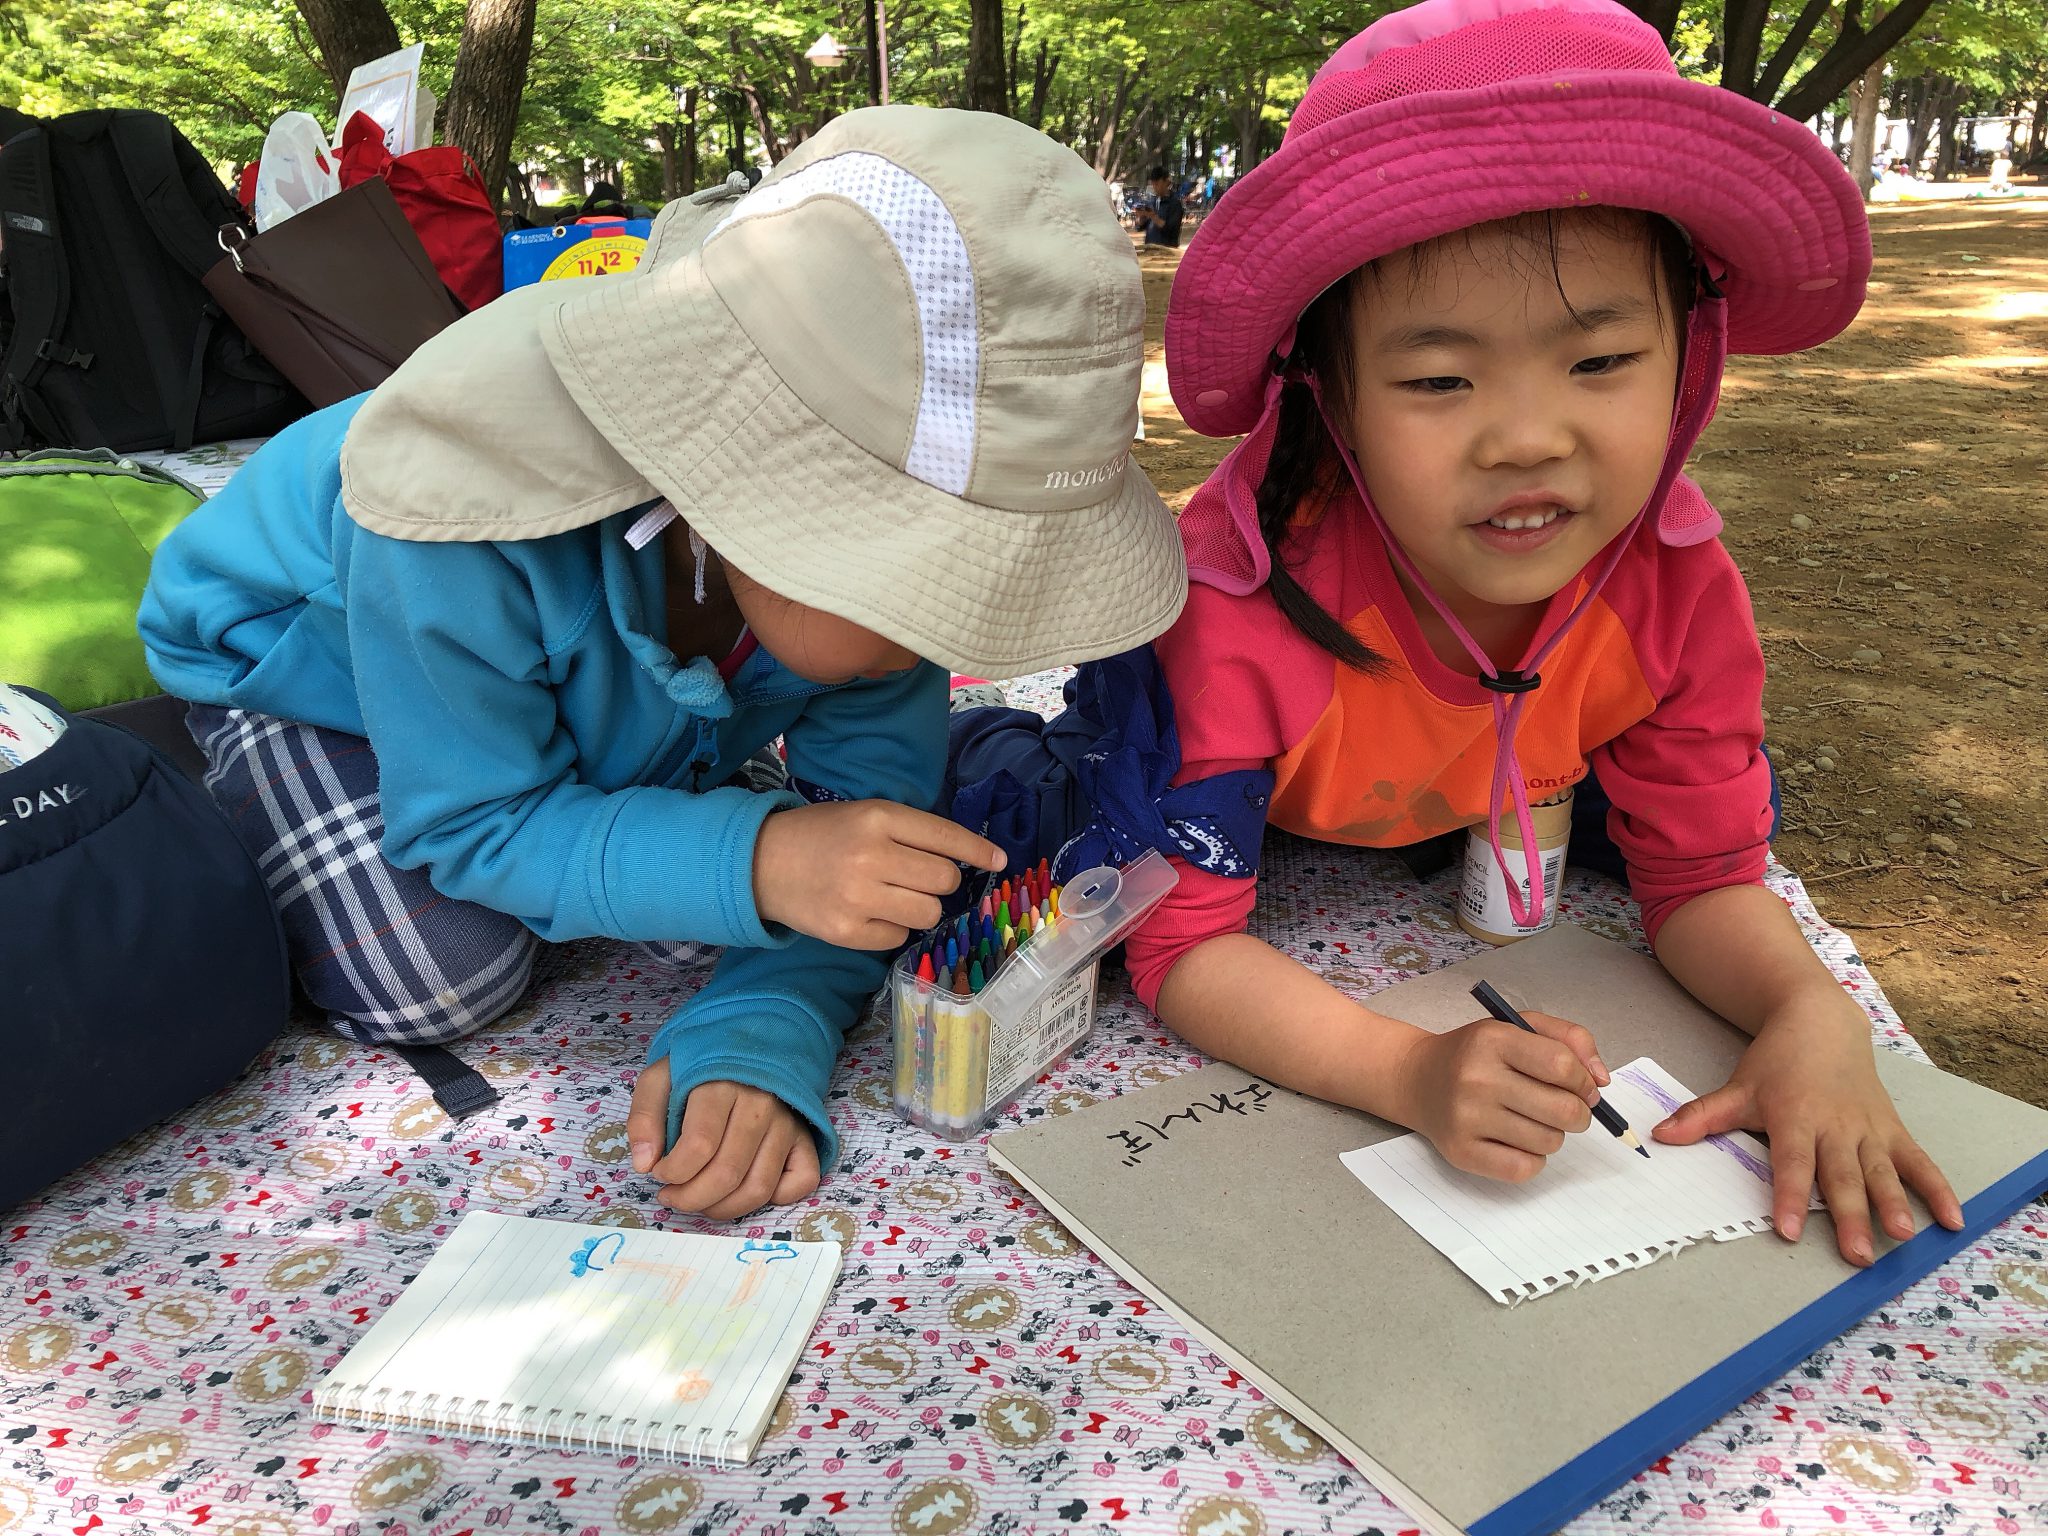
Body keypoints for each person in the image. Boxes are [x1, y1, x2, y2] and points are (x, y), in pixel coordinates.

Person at [947, 0, 1961, 1267]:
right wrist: (1408, 1071)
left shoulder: (1678, 589)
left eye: (1600, 361)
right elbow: (1181, 943)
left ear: (1688, 358)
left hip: (1484, 803)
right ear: (1329, 394)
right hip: (1244, 794)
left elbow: (1701, 875)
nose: (1526, 438)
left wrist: (1809, 1010)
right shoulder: (1228, 614)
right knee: (1026, 823)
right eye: (1437, 380)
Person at [138, 106, 1186, 1221]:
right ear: (752, 493)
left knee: (799, 868)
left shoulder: (868, 611)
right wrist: (762, 855)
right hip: (316, 677)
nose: (965, 637)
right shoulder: (454, 516)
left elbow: (860, 831)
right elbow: (472, 824)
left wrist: (763, 1019)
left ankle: (639, 783)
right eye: (940, 574)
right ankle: (208, 797)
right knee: (437, 967)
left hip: (596, 687)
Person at [1130, 164, 1184, 247]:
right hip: (1150, 249)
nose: (1155, 187)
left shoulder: (1175, 204)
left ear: (1166, 182)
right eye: (1153, 184)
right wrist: (1140, 217)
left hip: (1167, 250)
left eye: (1157, 184)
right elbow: (1140, 227)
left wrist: (1153, 216)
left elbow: (1171, 230)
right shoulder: (1151, 202)